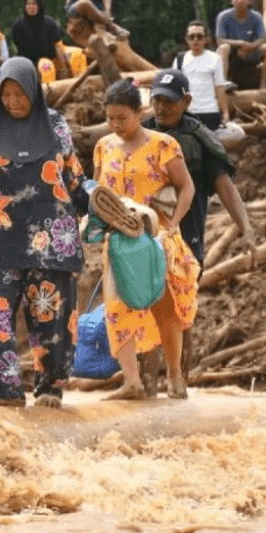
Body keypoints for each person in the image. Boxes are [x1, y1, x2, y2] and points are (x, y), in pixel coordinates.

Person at [0, 56, 89, 408]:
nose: (13, 101)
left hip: (52, 240)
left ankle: (49, 388)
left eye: (20, 94)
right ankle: (5, 389)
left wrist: (97, 205)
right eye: (7, 93)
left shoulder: (55, 124)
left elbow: (73, 175)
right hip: (1, 239)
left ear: (33, 90)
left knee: (51, 317)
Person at [144, 69, 257, 379]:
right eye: (157, 100)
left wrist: (246, 229)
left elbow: (226, 187)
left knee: (182, 312)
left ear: (186, 101)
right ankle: (148, 384)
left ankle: (180, 381)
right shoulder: (140, 133)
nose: (162, 108)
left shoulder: (199, 140)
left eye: (169, 101)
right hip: (143, 238)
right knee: (143, 308)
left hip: (187, 238)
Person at [93, 77, 200, 400]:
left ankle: (176, 376)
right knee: (116, 308)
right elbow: (98, 191)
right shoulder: (103, 146)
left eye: (122, 118)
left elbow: (187, 187)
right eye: (110, 118)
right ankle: (132, 381)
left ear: (140, 112)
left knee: (163, 306)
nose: (115, 124)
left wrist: (174, 223)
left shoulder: (163, 145)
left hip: (157, 236)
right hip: (118, 241)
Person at [215, 0, 266, 89]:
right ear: (232, 0)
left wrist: (251, 47)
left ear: (250, 1)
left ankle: (263, 85)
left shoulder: (256, 16)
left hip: (250, 52)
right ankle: (224, 83)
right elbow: (219, 40)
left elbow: (264, 39)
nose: (239, 1)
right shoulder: (223, 17)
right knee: (224, 47)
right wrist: (241, 43)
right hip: (231, 55)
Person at [175, 21, 229, 131]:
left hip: (210, 112)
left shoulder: (215, 59)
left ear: (206, 39)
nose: (195, 40)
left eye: (199, 36)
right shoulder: (179, 60)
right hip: (187, 113)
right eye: (192, 37)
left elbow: (219, 87)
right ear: (186, 40)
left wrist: (225, 113)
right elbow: (175, 87)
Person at [11, 0, 72, 81]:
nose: (31, 7)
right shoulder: (18, 24)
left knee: (46, 66)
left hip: (48, 60)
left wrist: (64, 66)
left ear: (40, 5)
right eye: (28, 4)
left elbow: (58, 45)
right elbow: (16, 44)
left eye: (34, 4)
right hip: (26, 62)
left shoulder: (49, 23)